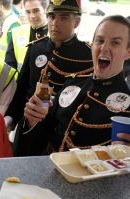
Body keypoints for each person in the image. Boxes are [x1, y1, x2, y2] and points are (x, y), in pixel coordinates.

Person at [16, 15, 130, 155]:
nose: (104, 48)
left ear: (128, 52)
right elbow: (42, 136)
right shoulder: (72, 84)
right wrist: (32, 120)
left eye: (115, 43)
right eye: (99, 41)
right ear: (92, 44)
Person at [5, 0, 94, 134]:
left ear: (76, 22)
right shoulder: (35, 48)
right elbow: (21, 90)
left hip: (62, 134)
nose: (55, 23)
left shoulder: (88, 56)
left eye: (63, 17)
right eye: (52, 16)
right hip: (29, 129)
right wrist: (10, 118)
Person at [5, 0, 48, 71]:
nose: (32, 16)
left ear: (46, 9)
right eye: (28, 12)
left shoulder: (56, 34)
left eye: (36, 11)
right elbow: (10, 67)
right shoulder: (17, 33)